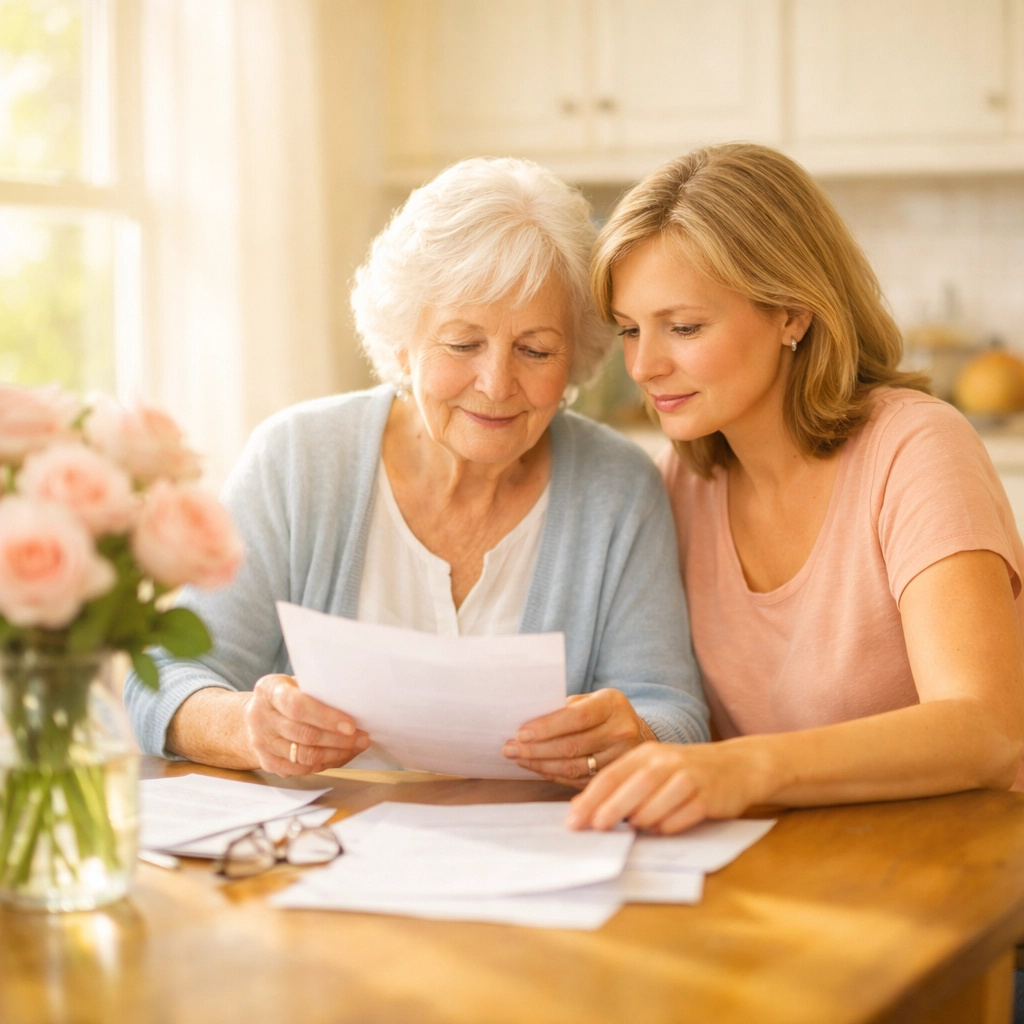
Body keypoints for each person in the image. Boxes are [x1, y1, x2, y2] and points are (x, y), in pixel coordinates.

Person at [124, 157, 709, 781]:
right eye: (463, 343)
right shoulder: (297, 460)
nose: (496, 384)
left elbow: (675, 714)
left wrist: (632, 734)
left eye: (536, 350)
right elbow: (163, 678)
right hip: (326, 836)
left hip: (535, 839)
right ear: (403, 342)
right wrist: (245, 726)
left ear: (577, 355)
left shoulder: (619, 487)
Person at [568, 143, 1024, 834]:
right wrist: (639, 736)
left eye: (683, 327)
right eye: (631, 330)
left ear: (792, 313)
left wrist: (745, 767)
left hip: (949, 860)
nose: (644, 365)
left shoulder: (915, 449)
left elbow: (987, 730)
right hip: (782, 865)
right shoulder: (678, 485)